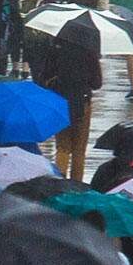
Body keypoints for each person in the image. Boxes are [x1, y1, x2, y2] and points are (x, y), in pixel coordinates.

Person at [31, 21, 102, 181]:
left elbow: (43, 77)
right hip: (82, 102)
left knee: (62, 148)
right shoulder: (88, 51)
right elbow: (97, 83)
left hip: (59, 102)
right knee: (79, 151)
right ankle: (77, 186)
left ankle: (59, 182)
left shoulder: (54, 49)